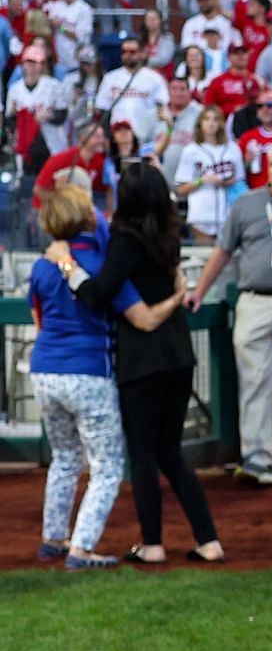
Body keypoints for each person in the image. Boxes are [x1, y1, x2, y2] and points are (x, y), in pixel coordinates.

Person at [48, 163, 223, 565]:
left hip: (142, 356)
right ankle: (208, 540)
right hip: (178, 351)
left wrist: (65, 262)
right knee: (170, 452)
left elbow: (96, 295)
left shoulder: (126, 240)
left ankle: (153, 544)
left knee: (143, 453)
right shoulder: (168, 233)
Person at [28, 187, 181, 569]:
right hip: (89, 373)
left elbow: (39, 320)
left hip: (45, 371)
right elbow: (143, 319)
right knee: (108, 464)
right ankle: (81, 547)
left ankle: (53, 538)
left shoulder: (42, 264)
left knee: (64, 457)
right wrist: (177, 299)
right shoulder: (101, 263)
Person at [190, 146, 272, 484]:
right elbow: (222, 251)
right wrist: (199, 291)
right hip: (254, 300)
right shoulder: (247, 203)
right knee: (255, 379)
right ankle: (256, 458)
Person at [173, 105, 244, 243]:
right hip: (202, 215)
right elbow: (181, 188)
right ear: (200, 123)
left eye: (215, 119)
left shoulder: (233, 148)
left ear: (221, 123)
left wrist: (229, 181)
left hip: (228, 213)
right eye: (207, 119)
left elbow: (240, 180)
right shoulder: (191, 150)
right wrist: (203, 180)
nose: (211, 123)